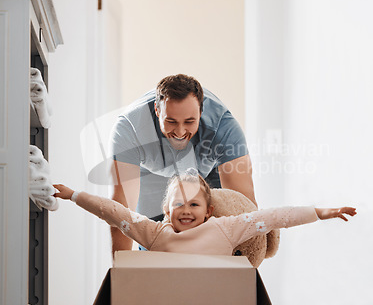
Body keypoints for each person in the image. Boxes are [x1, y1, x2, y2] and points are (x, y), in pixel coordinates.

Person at [109, 74, 257, 254]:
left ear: (201, 112)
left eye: (189, 122)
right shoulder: (129, 128)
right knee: (152, 241)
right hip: (153, 174)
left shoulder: (224, 128)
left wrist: (244, 272)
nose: (180, 131)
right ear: (157, 110)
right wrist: (120, 271)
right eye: (171, 121)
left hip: (208, 170)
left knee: (220, 231)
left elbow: (244, 207)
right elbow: (121, 210)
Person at [53, 172, 356, 256]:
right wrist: (75, 195)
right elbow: (115, 212)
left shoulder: (226, 228)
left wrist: (319, 212)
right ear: (165, 211)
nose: (185, 210)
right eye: (178, 204)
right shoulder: (155, 233)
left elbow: (275, 217)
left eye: (194, 204)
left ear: (209, 211)